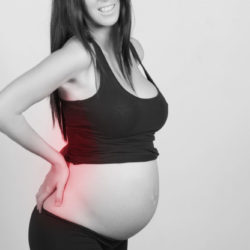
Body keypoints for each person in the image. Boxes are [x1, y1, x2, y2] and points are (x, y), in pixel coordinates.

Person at [0, 0, 168, 249]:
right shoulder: (79, 55)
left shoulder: (133, 51)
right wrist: (57, 160)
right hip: (70, 233)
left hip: (115, 238)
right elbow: (4, 108)